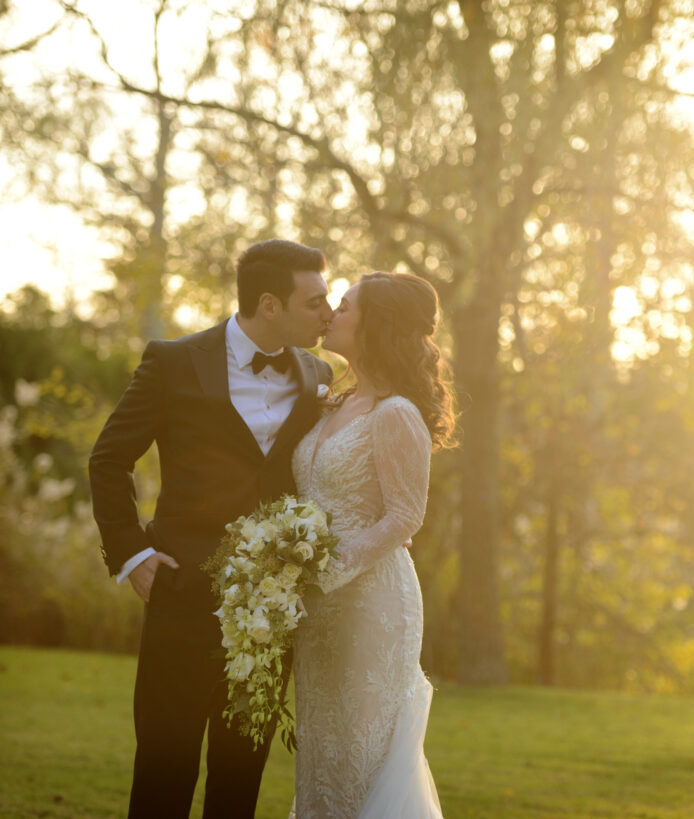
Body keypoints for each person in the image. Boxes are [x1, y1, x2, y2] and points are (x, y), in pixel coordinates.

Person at [88, 239, 334, 818]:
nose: (327, 313)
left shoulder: (319, 374)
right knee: (164, 766)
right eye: (315, 301)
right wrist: (131, 553)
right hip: (179, 593)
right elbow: (108, 458)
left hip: (272, 610)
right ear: (270, 305)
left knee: (239, 776)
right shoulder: (174, 362)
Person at [290, 271, 453, 818]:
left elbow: (405, 515)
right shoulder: (335, 402)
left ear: (374, 324)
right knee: (321, 756)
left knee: (360, 760)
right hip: (316, 607)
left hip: (372, 607)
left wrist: (330, 568)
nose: (331, 313)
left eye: (345, 305)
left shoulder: (396, 412)